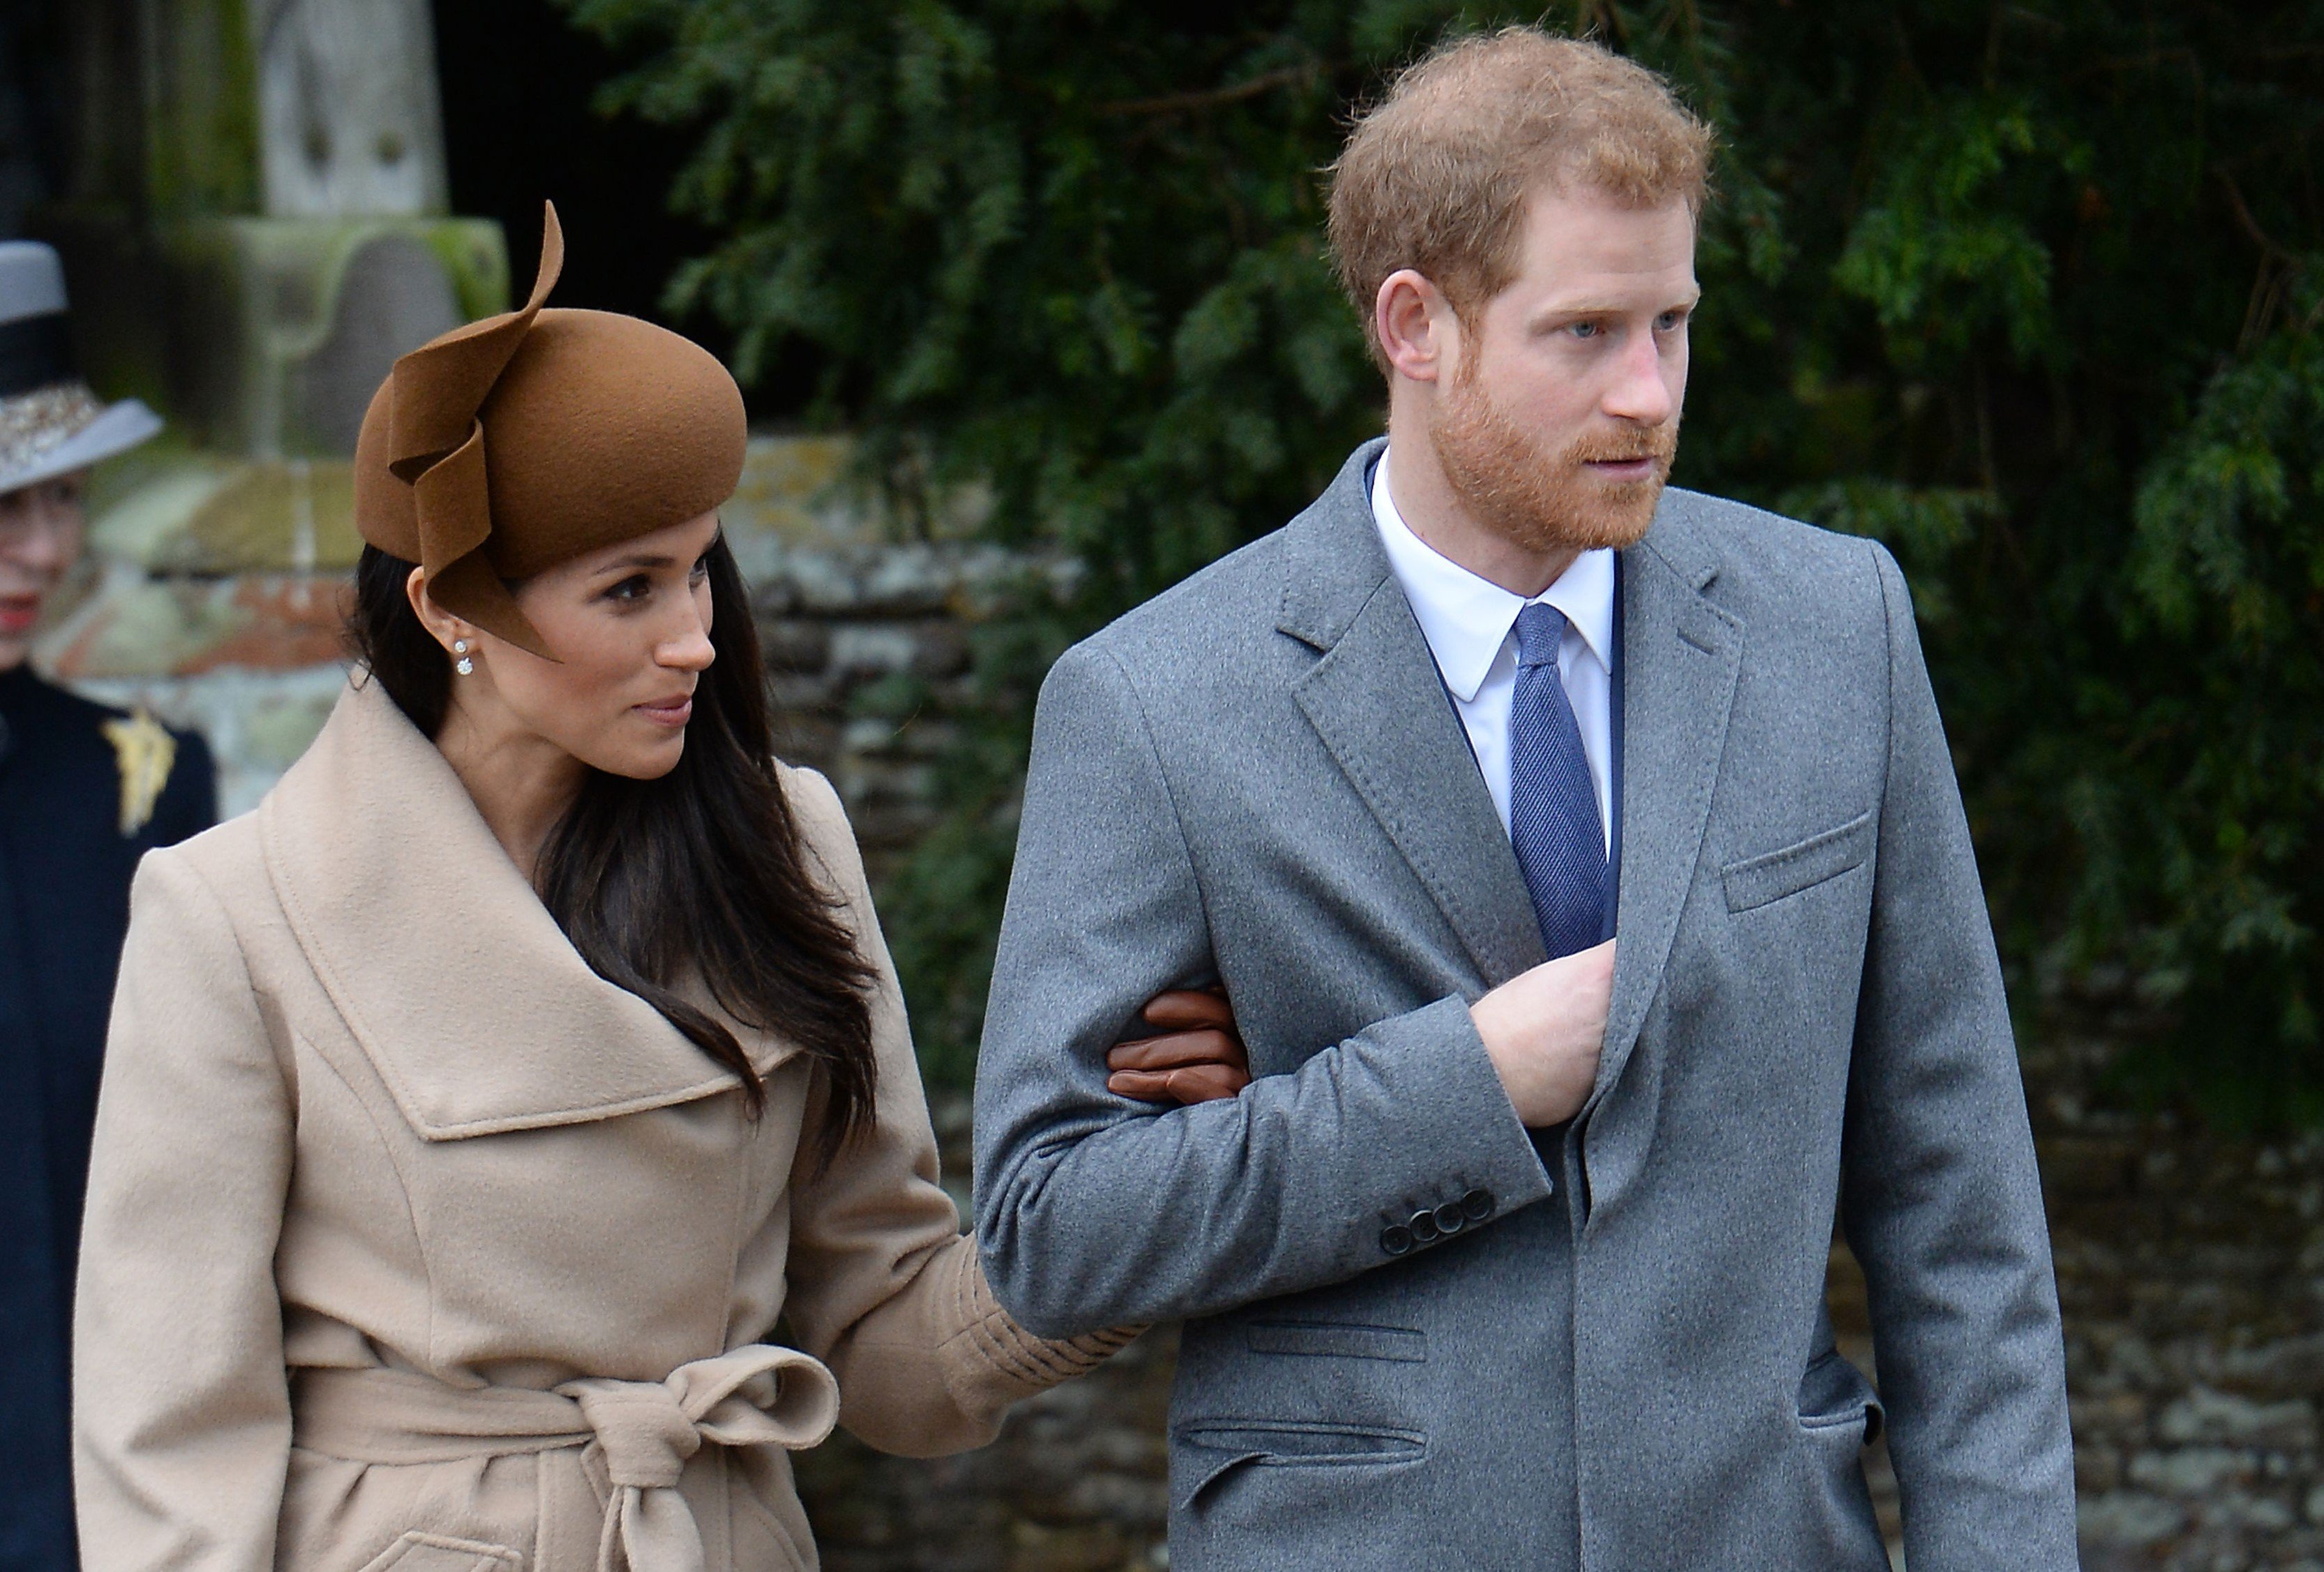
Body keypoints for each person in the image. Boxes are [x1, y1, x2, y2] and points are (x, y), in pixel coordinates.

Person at [973, 30, 2076, 1571]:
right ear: (1416, 324)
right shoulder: (1156, 703)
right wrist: (1460, 1085)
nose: (1650, 393)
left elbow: (1960, 1214)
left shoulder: (1838, 629)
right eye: (1585, 333)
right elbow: (1047, 1229)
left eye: (1673, 324)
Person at [71, 205, 1245, 1572]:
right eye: (630, 589)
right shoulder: (233, 918)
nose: (695, 637)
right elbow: (171, 1448)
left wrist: (1153, 1183)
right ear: (453, 608)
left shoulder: (781, 842)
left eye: (701, 569)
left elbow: (890, 1345)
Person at [0, 239, 211, 1572]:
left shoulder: (140, 780)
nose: (40, 547)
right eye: (0, 503)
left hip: (110, 1484)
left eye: (63, 497)